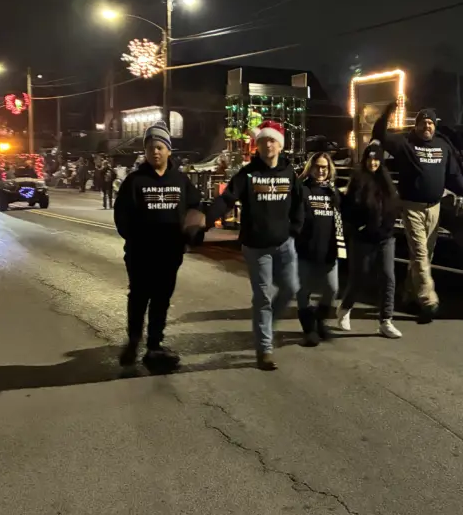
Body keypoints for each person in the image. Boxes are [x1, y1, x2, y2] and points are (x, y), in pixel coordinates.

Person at [207, 121, 303, 371]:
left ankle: (266, 326)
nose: (267, 145)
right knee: (263, 298)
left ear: (280, 146)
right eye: (263, 141)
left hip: (284, 244)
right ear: (257, 146)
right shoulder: (248, 174)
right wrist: (206, 220)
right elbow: (227, 198)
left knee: (291, 288)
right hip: (256, 247)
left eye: (272, 141)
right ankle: (264, 350)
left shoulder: (289, 173)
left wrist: (295, 230)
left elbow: (299, 203)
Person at [113, 122, 206, 371]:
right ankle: (134, 340)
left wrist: (194, 228)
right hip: (140, 254)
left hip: (170, 253)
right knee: (139, 296)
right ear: (145, 151)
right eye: (150, 148)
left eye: (160, 147)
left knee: (161, 299)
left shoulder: (181, 180)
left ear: (168, 150)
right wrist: (136, 239)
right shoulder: (134, 181)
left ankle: (154, 346)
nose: (155, 152)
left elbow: (196, 206)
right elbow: (122, 216)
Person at [371, 104, 463, 321]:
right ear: (415, 126)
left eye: (430, 122)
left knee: (425, 255)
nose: (427, 126)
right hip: (412, 207)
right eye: (423, 122)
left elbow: (454, 174)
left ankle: (409, 294)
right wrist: (387, 114)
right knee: (420, 253)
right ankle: (428, 300)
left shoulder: (443, 146)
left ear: (435, 126)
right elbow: (379, 134)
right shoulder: (405, 144)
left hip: (434, 208)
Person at [337, 140, 402, 338]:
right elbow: (348, 210)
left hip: (385, 238)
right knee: (359, 277)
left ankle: (386, 321)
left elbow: (393, 206)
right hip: (363, 238)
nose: (373, 163)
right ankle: (345, 308)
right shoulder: (358, 181)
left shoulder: (386, 182)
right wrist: (360, 226)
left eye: (376, 159)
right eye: (370, 159)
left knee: (388, 277)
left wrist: (388, 225)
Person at [295, 152, 340, 346]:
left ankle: (320, 321)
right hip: (304, 251)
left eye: (325, 167)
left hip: (329, 250)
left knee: (332, 289)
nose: (321, 171)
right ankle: (309, 330)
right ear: (310, 168)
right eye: (317, 167)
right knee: (303, 291)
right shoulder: (302, 190)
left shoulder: (333, 192)